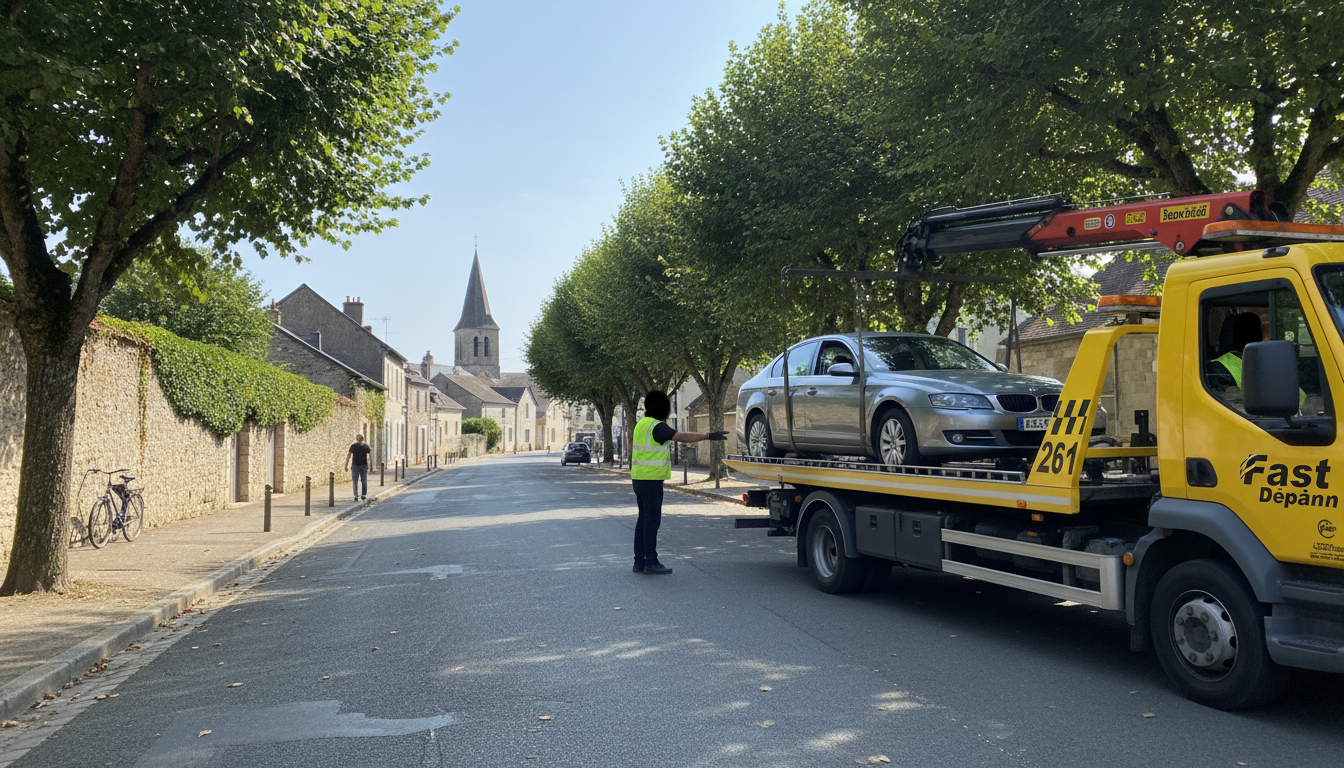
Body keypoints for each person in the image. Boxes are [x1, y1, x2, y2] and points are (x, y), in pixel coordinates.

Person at [631, 390, 727, 575]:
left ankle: (639, 562)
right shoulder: (657, 426)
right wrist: (707, 436)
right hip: (651, 480)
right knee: (651, 522)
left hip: (639, 478)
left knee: (643, 520)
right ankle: (650, 561)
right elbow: (680, 436)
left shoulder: (641, 424)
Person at [344, 435, 372, 501]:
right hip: (364, 465)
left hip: (355, 465)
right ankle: (363, 494)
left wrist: (346, 465)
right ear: (363, 439)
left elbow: (349, 456)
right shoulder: (366, 446)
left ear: (356, 439)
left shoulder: (353, 446)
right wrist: (368, 465)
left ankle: (356, 496)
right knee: (364, 480)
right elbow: (367, 457)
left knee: (355, 481)